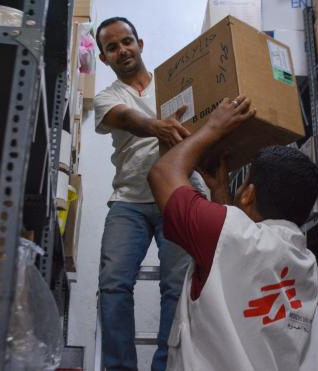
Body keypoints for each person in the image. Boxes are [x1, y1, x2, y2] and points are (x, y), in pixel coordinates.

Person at [148, 96, 318, 371]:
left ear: (249, 194)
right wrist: (221, 192)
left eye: (243, 184)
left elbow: (162, 173)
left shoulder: (230, 234)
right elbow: (233, 264)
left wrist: (213, 128)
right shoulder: (307, 265)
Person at [93, 16, 194, 371]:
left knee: (177, 288)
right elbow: (126, 119)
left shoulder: (175, 84)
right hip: (129, 203)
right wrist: (157, 127)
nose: (122, 50)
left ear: (140, 43)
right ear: (104, 58)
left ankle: (165, 366)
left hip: (177, 197)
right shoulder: (107, 98)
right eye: (112, 47)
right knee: (113, 285)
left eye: (127, 42)